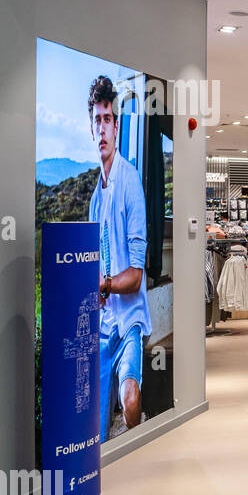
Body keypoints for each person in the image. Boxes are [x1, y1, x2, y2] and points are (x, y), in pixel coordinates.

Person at [87, 75, 149, 439]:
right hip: (102, 322)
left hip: (129, 320)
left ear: (116, 125)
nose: (102, 128)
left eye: (108, 119)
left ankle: (136, 436)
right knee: (93, 421)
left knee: (129, 398)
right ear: (91, 126)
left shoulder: (131, 181)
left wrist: (106, 284)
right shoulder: (96, 197)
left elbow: (137, 277)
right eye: (97, 119)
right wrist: (95, 289)